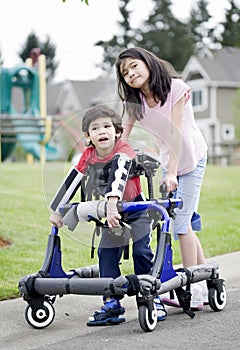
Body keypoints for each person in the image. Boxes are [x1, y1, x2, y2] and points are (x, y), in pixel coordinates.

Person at [49, 104, 167, 325]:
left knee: (141, 252)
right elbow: (72, 179)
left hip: (135, 210)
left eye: (107, 126)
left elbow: (119, 175)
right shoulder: (89, 155)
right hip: (109, 212)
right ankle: (111, 301)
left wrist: (112, 205)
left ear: (117, 131)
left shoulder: (124, 149)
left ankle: (150, 295)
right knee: (106, 254)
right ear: (88, 136)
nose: (102, 132)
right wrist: (58, 211)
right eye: (95, 128)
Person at [115, 47, 208, 310]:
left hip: (190, 159)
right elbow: (123, 137)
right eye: (125, 72)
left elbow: (176, 132)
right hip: (170, 163)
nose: (131, 73)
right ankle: (204, 280)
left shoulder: (175, 88)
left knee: (180, 225)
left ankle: (191, 288)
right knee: (184, 221)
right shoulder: (136, 104)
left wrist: (171, 172)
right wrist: (108, 158)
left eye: (134, 66)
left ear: (147, 63)